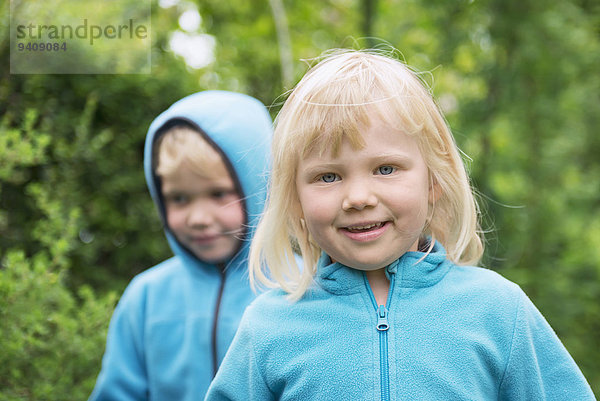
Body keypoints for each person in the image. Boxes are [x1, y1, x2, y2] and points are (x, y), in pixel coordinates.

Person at [205, 51, 595, 400]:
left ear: (434, 179)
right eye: (328, 176)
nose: (358, 197)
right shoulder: (269, 327)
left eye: (385, 168)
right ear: (295, 201)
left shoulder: (498, 310)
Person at [89, 90, 273, 400]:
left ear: (260, 184)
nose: (199, 218)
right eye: (179, 198)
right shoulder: (145, 298)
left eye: (218, 194)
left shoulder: (300, 286)